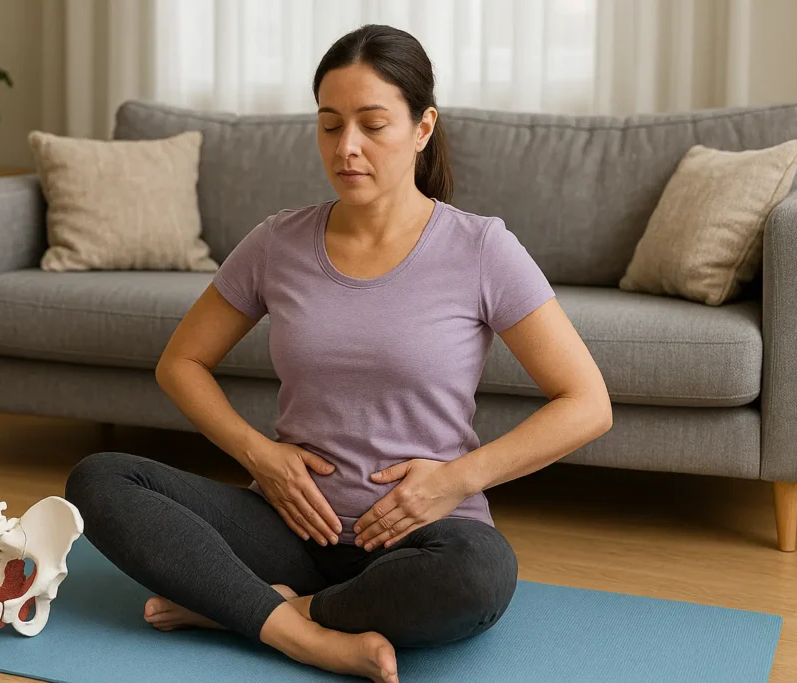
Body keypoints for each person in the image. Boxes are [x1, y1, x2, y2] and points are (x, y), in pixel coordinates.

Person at [65, 23, 612, 683]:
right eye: (330, 125)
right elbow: (180, 362)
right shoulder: (277, 242)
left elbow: (587, 403)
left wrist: (453, 479)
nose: (347, 147)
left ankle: (250, 608)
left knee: (480, 576)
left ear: (422, 126)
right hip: (291, 528)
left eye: (372, 124)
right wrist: (259, 456)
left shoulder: (482, 248)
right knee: (98, 481)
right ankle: (304, 633)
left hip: (425, 535)